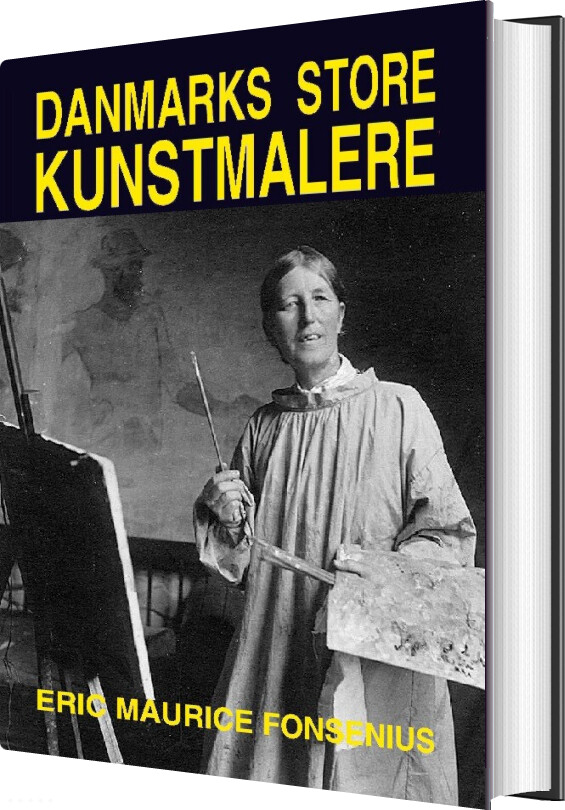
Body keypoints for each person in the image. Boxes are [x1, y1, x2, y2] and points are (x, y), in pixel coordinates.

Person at [194, 246, 476, 803]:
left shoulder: (399, 408)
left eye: (320, 298)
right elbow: (240, 561)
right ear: (271, 329)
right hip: (275, 652)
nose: (307, 317)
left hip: (372, 660)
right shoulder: (263, 428)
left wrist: (376, 580)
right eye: (289, 305)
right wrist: (224, 516)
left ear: (341, 314)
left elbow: (447, 534)